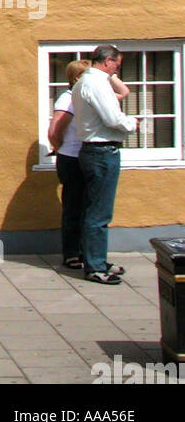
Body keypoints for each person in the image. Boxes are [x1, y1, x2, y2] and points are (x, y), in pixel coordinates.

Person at [70, 44, 138, 284]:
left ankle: (94, 258)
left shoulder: (84, 82)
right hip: (102, 152)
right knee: (99, 213)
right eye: (116, 65)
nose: (116, 69)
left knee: (92, 209)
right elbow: (112, 118)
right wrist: (132, 124)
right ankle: (96, 266)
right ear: (108, 61)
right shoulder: (97, 83)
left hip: (93, 151)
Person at [47, 59, 92, 269]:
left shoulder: (83, 97)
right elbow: (54, 130)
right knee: (74, 207)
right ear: (76, 78)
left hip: (81, 157)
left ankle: (85, 251)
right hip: (71, 158)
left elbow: (123, 92)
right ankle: (72, 253)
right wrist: (60, 147)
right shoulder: (69, 98)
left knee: (87, 207)